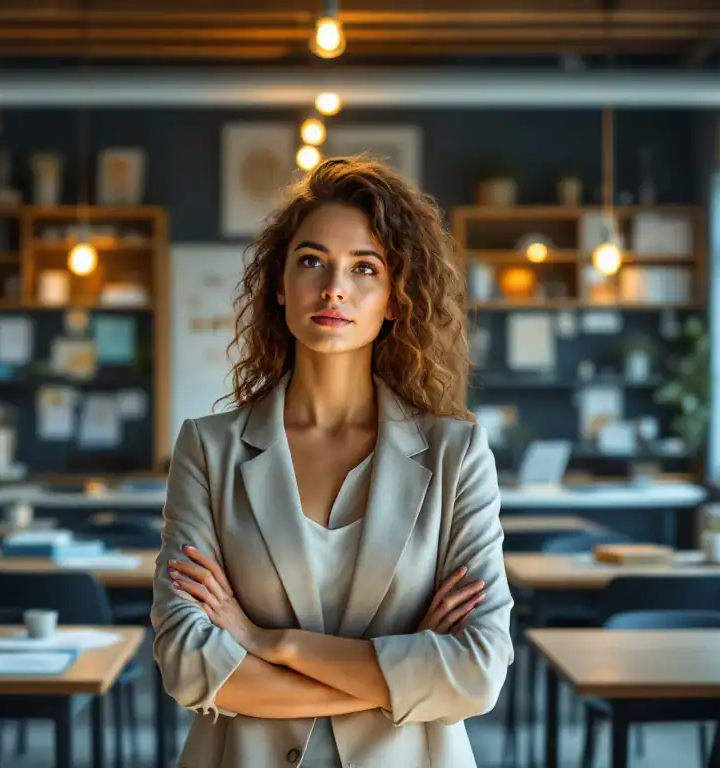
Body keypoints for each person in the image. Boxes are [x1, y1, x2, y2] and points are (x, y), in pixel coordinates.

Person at [152, 156, 514, 768]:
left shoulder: (457, 453)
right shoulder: (208, 449)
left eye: (364, 267)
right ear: (279, 284)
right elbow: (188, 664)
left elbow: (477, 673)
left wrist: (269, 642)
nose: (334, 288)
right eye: (312, 261)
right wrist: (404, 668)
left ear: (396, 298)